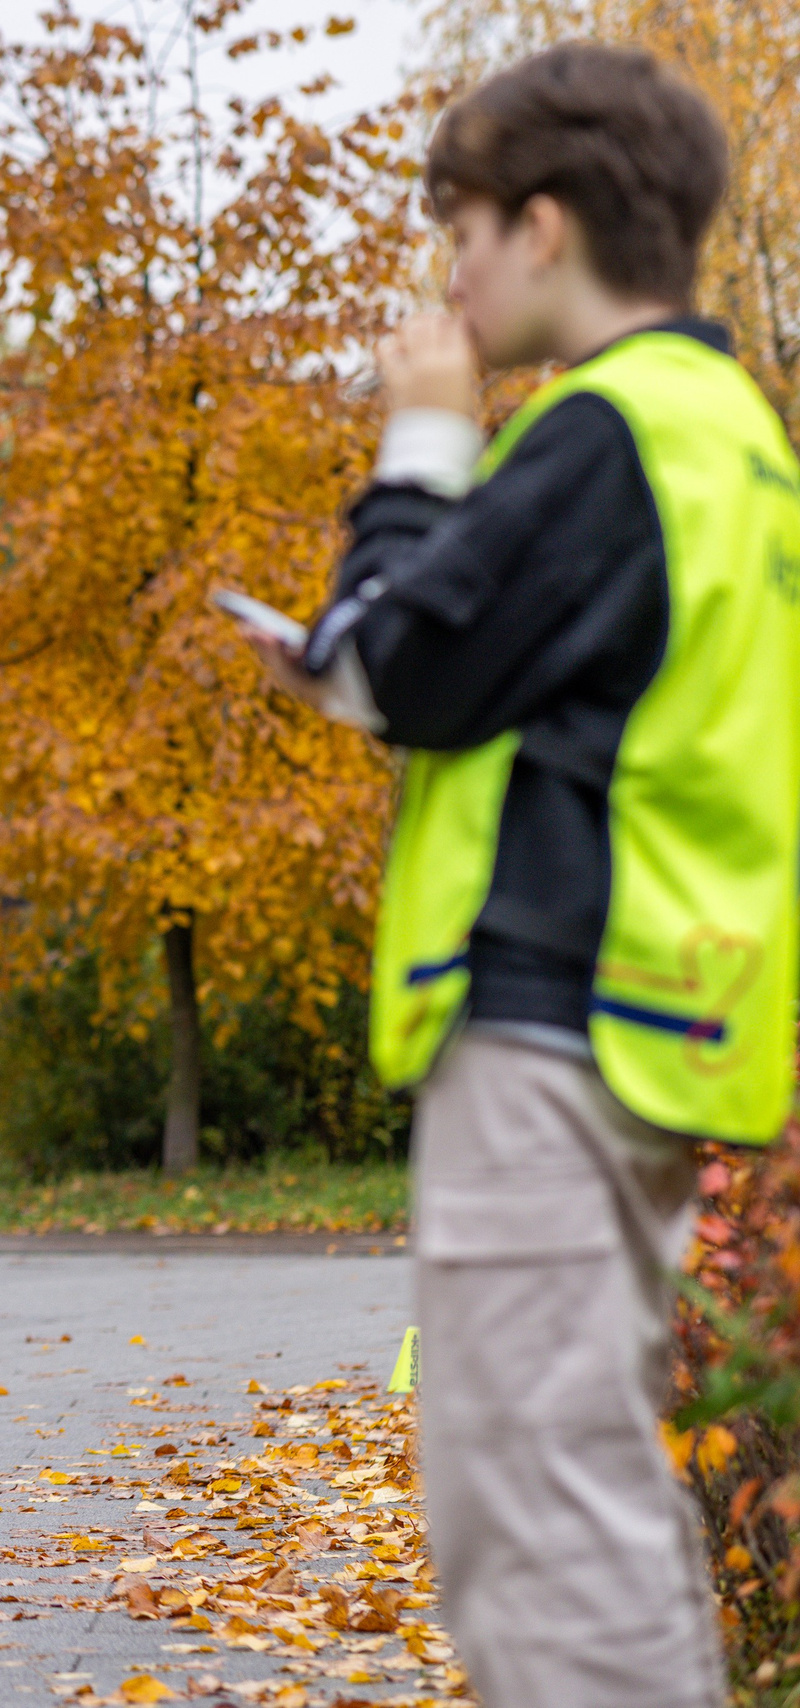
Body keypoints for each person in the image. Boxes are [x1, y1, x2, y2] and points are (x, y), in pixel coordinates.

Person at [241, 45, 799, 1708]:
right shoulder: (737, 440)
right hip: (656, 1008)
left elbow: (398, 663)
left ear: (542, 227)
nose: (453, 276)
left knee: (535, 1506)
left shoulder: (611, 430)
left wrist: (423, 438)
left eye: (464, 231)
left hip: (557, 1015)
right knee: (586, 1479)